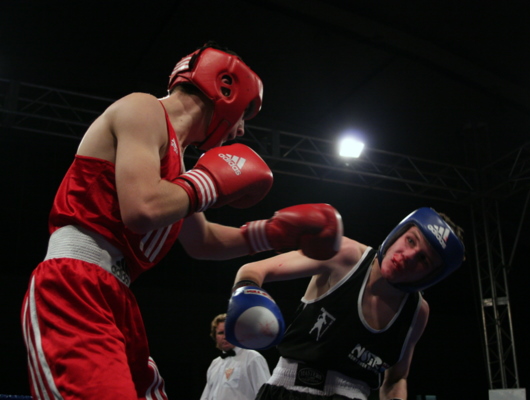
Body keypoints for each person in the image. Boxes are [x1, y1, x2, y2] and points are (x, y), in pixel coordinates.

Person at [20, 41, 343, 400]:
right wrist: (209, 182)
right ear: (226, 88)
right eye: (244, 116)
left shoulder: (178, 169)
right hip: (74, 286)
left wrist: (276, 232)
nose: (240, 130)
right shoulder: (143, 108)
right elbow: (142, 209)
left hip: (117, 297)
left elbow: (203, 241)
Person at [226, 207, 465, 400]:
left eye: (423, 259)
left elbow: (396, 379)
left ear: (431, 276)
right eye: (410, 240)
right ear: (397, 234)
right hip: (288, 389)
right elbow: (253, 270)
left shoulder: (417, 312)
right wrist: (247, 296)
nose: (408, 256)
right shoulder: (345, 255)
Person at [200, 313, 271, 400]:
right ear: (215, 337)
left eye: (228, 332)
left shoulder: (252, 358)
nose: (225, 336)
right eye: (221, 333)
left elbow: (265, 395)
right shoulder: (215, 363)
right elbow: (206, 397)